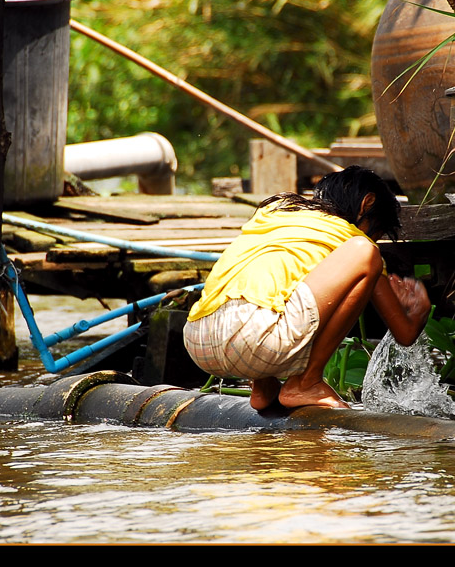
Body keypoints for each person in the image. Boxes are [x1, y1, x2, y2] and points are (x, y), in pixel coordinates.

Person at [183, 165, 430, 411]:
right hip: (255, 342)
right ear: (367, 203)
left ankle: (263, 387)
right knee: (366, 253)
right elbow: (405, 334)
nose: (372, 240)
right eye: (377, 232)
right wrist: (420, 308)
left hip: (197, 340)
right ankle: (306, 383)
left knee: (273, 280)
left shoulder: (274, 213)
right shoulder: (352, 239)